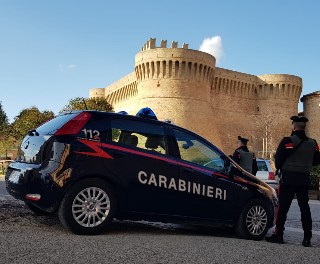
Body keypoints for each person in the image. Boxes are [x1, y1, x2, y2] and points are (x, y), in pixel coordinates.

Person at [265, 116, 320, 247]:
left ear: (294, 127)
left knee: (282, 208)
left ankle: (279, 235)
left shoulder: (287, 141)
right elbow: (317, 161)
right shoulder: (313, 143)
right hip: (304, 179)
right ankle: (307, 238)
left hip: (288, 179)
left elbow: (278, 160)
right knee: (305, 208)